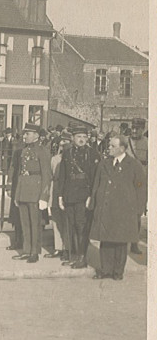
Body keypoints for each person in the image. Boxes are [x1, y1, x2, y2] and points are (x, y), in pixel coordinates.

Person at [88, 136, 146, 280]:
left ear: (122, 148)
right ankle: (105, 270)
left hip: (124, 210)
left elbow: (141, 188)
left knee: (120, 241)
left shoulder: (134, 165)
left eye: (112, 146)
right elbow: (96, 184)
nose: (109, 148)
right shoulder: (104, 163)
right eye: (109, 146)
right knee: (105, 240)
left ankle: (117, 272)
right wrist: (93, 203)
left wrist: (138, 209)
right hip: (105, 207)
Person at [55, 126, 101, 269]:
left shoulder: (93, 153)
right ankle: (73, 255)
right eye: (79, 137)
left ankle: (82, 257)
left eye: (84, 137)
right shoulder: (67, 153)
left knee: (81, 227)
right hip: (69, 194)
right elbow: (63, 175)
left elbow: (95, 177)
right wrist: (60, 195)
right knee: (71, 226)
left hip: (83, 195)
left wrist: (91, 196)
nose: (82, 139)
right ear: (73, 138)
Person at [9, 123, 52, 263]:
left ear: (36, 136)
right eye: (25, 133)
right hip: (24, 191)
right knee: (25, 223)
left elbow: (46, 175)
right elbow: (21, 174)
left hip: (35, 192)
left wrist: (44, 197)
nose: (24, 136)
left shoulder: (42, 151)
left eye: (28, 133)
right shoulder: (23, 151)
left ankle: (34, 252)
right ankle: (26, 250)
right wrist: (17, 194)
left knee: (35, 224)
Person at [44, 131, 71, 260]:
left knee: (66, 221)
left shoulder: (72, 159)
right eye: (62, 143)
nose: (63, 146)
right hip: (55, 190)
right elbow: (49, 176)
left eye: (66, 143)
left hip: (67, 191)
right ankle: (58, 247)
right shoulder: (54, 159)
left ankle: (67, 247)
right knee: (56, 220)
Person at [126, 117, 148, 255]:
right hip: (125, 182)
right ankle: (122, 242)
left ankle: (134, 243)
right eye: (133, 128)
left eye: (138, 128)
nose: (134, 131)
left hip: (140, 183)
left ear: (143, 129)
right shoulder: (125, 142)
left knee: (137, 213)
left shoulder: (148, 143)